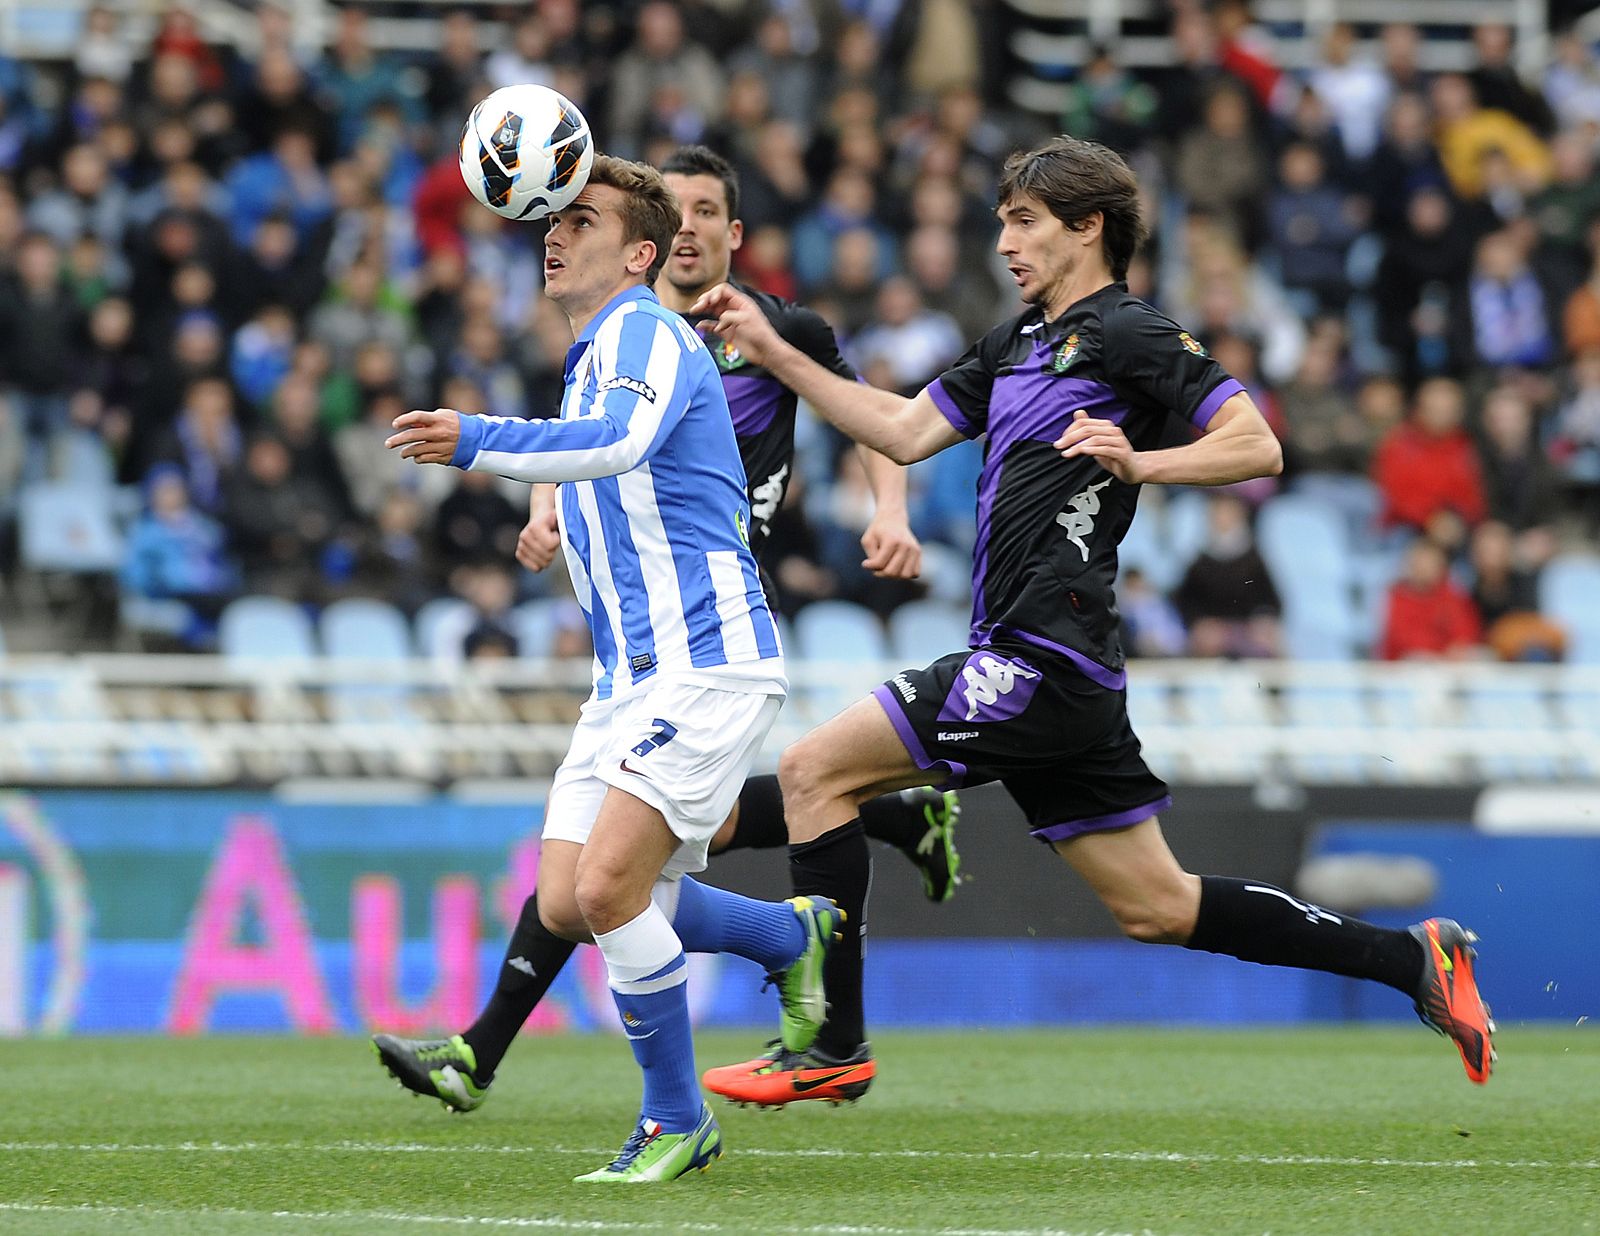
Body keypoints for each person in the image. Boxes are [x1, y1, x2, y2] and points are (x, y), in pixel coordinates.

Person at [691, 136, 1497, 1107]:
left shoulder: (1128, 332)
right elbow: (902, 430)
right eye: (1000, 222)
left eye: (1022, 221)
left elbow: (1257, 444)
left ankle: (834, 1042)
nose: (1004, 242)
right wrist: (777, 353)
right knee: (1160, 907)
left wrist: (1142, 461)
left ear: (1088, 225)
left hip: (1038, 655)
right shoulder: (1014, 343)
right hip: (1062, 671)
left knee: (815, 771)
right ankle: (1414, 961)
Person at [371, 146, 963, 1117]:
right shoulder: (600, 351)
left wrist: (479, 441)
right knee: (570, 900)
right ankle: (790, 935)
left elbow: (623, 440)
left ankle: (669, 1117)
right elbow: (604, 448)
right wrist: (550, 499)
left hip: (705, 652)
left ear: (646, 254)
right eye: (551, 222)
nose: (553, 236)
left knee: (609, 889)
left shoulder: (661, 334)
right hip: (632, 674)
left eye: (580, 222)